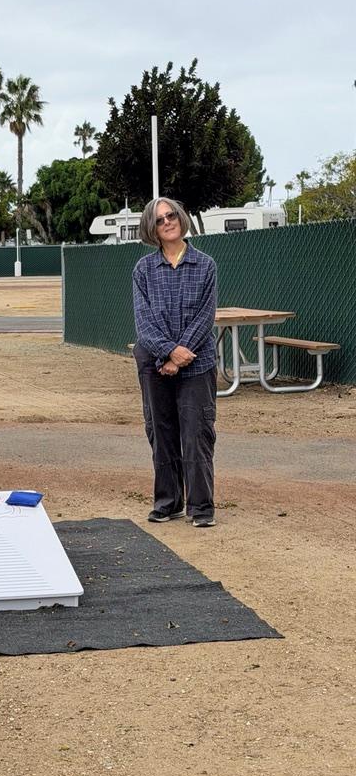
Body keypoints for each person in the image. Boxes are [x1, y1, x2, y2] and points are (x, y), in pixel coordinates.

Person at [132, 197, 217, 528]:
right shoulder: (143, 270)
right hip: (155, 363)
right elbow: (144, 320)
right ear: (151, 229)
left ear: (181, 218)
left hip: (196, 363)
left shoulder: (206, 265)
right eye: (159, 220)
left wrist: (180, 356)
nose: (167, 222)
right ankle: (168, 502)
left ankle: (201, 506)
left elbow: (204, 316)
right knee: (161, 430)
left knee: (197, 431)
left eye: (171, 215)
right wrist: (167, 353)